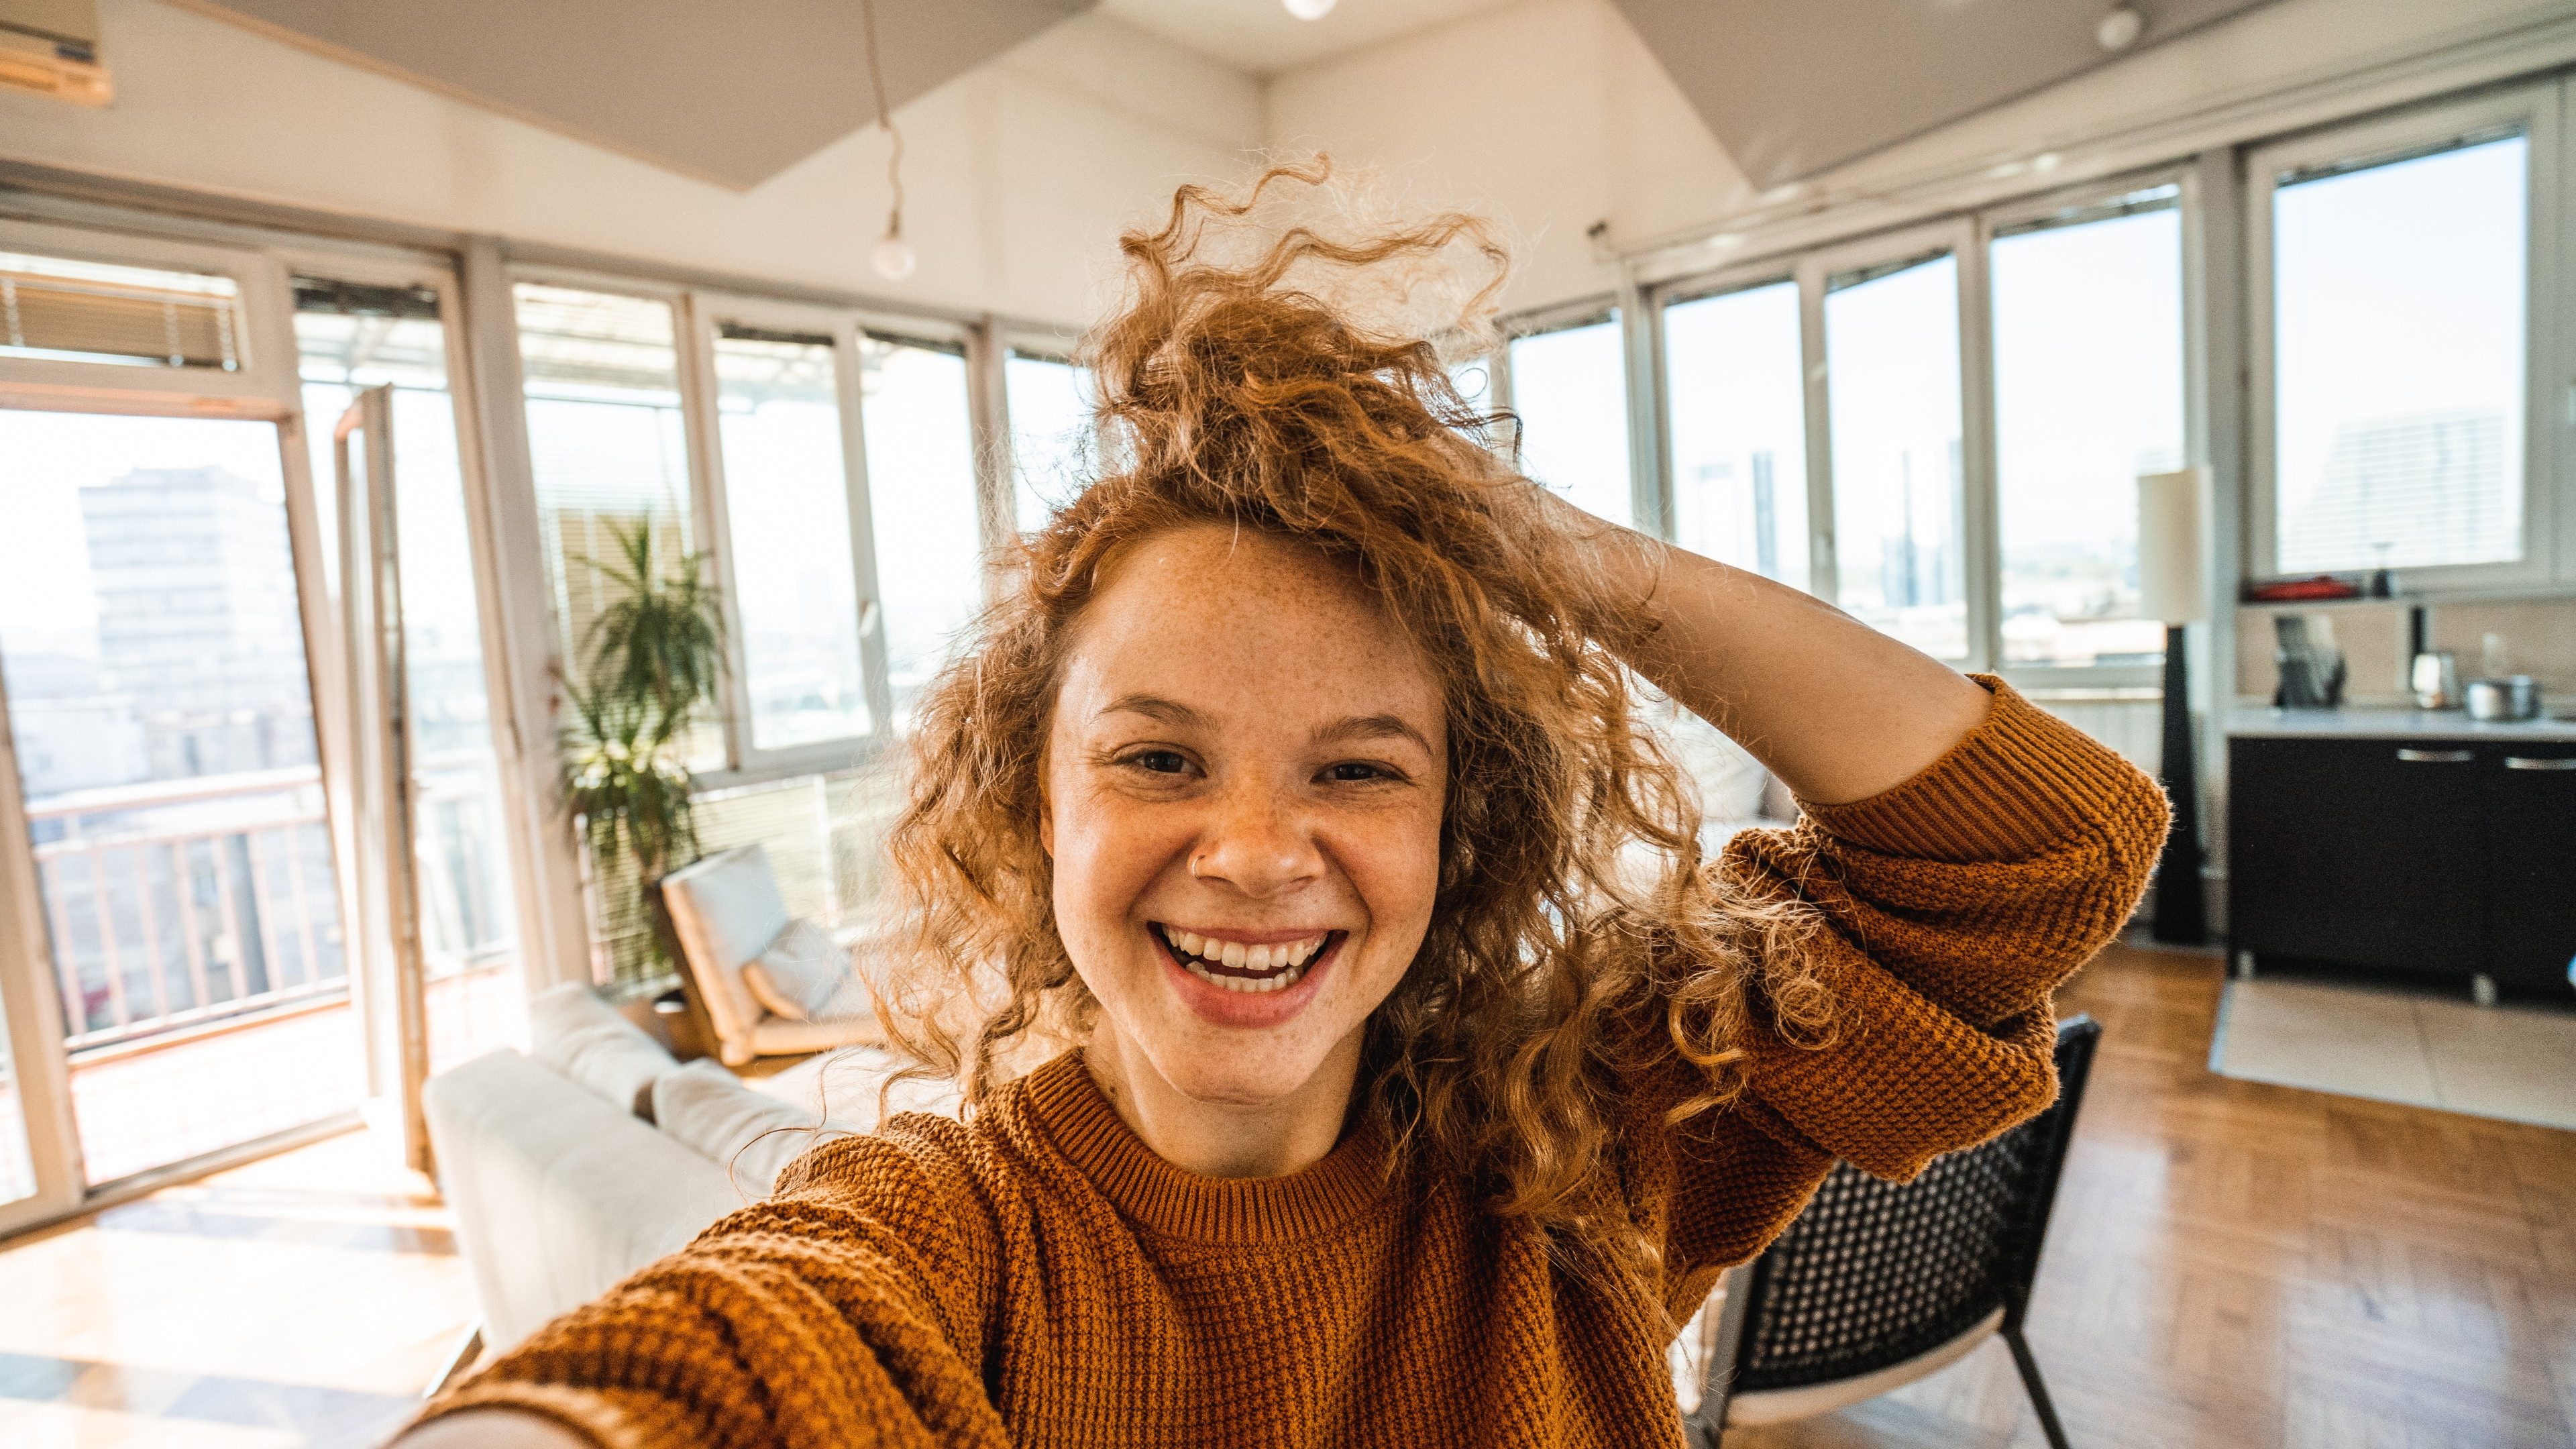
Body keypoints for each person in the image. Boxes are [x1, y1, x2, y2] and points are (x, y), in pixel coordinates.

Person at [399, 163, 2166, 1448]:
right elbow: (714, 1367)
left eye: (1357, 768)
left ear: (1458, 827)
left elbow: (2041, 856)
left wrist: (1529, 550)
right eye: (1159, 757)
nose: (1253, 853)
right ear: (1038, 802)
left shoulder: (1587, 1142)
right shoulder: (945, 1239)